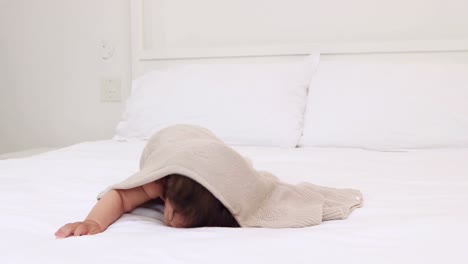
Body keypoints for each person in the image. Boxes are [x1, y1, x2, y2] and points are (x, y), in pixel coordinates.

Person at [55, 174, 239, 238]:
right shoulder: (158, 184)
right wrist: (94, 221)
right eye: (172, 214)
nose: (173, 225)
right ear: (165, 193)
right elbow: (121, 196)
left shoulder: (220, 196)